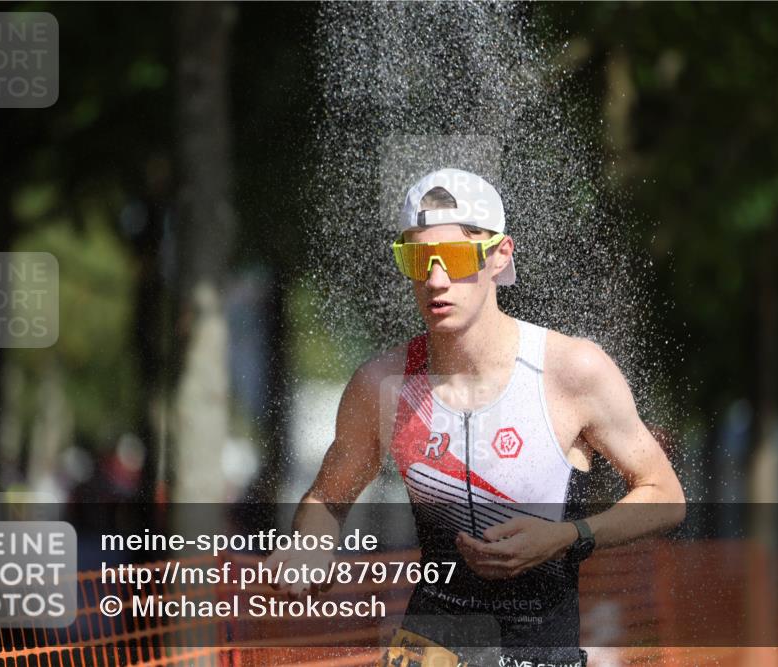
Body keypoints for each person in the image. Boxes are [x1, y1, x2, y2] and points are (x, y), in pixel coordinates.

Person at [267, 168, 686, 667]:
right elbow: (327, 500)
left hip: (541, 651)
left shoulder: (571, 370)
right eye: (418, 258)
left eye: (460, 258)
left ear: (500, 256)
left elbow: (665, 495)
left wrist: (568, 538)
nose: (436, 280)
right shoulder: (382, 383)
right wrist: (309, 546)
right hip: (428, 651)